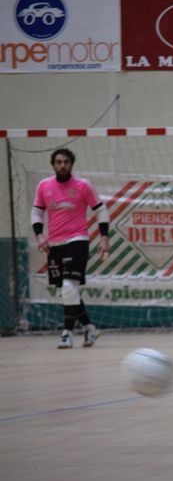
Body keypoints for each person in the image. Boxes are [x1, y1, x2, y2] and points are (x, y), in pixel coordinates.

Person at [31, 148, 109, 348]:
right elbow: (37, 213)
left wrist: (104, 237)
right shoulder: (44, 186)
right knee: (68, 291)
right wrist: (39, 236)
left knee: (68, 286)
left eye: (66, 162)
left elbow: (101, 210)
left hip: (78, 240)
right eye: (59, 162)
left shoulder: (83, 185)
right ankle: (89, 328)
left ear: (71, 164)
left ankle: (67, 333)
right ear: (53, 164)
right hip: (54, 245)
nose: (62, 165)